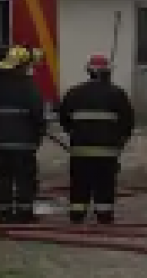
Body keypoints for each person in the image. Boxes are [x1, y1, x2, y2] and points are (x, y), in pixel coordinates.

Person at [58, 53, 136, 224]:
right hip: (107, 153)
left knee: (79, 185)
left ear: (89, 72)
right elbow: (128, 123)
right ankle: (104, 216)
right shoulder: (118, 94)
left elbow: (64, 121)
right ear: (107, 72)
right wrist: (120, 142)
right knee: (105, 186)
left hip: (80, 152)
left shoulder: (73, 93)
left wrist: (75, 134)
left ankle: (77, 216)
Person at [0, 46, 46, 224]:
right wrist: (39, 131)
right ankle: (24, 214)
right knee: (24, 178)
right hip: (22, 143)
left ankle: (4, 213)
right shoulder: (28, 86)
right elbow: (37, 112)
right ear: (21, 66)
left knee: (4, 177)